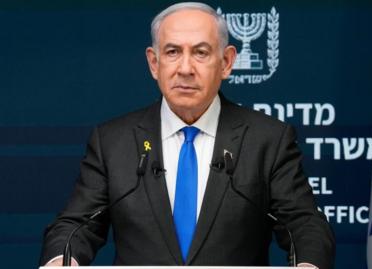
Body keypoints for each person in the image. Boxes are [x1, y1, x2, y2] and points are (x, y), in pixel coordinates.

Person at [40, 2, 335, 268]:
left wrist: (308, 264)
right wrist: (61, 260)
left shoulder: (267, 140)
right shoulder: (113, 142)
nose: (185, 68)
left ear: (227, 62)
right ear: (154, 63)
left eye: (200, 52)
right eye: (172, 52)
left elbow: (304, 225)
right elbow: (75, 225)